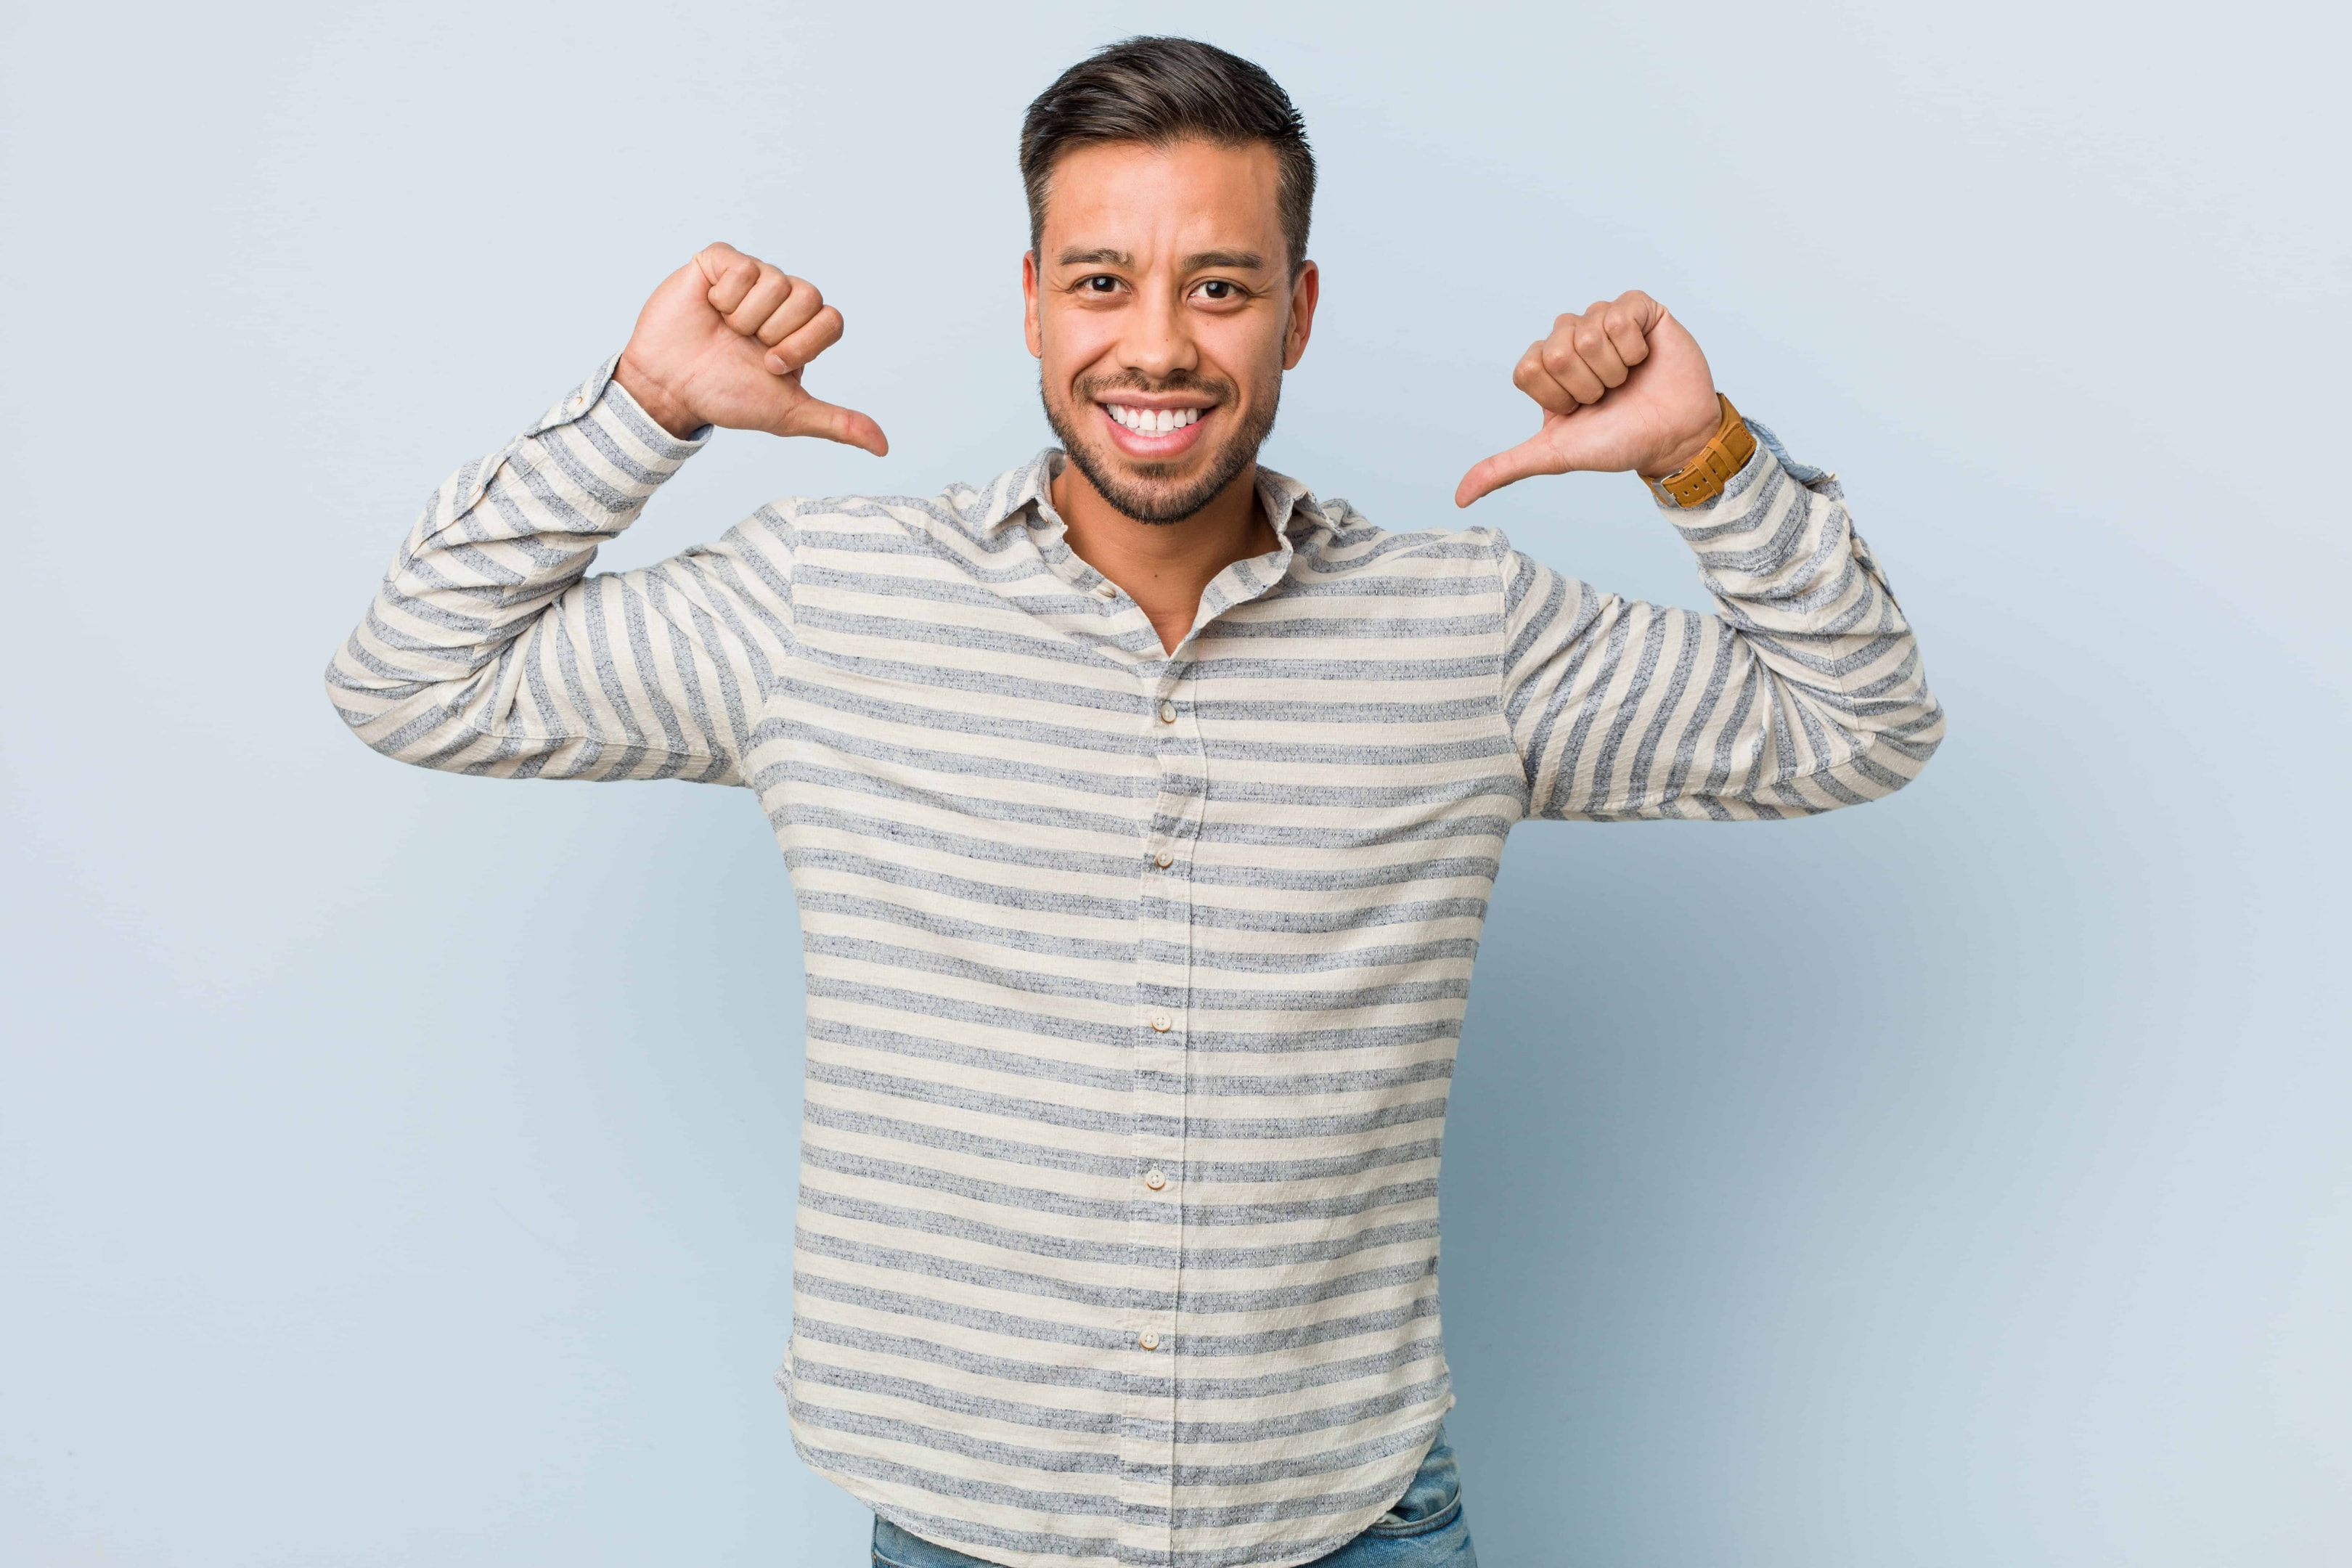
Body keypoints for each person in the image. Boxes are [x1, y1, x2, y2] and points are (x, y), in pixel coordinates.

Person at [324, 33, 1942, 1568]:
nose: (1158, 344)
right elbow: (415, 675)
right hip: (967, 1518)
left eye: (1220, 286)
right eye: (1102, 281)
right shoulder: (831, 603)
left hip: (1351, 1511)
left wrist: (1703, 458)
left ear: (1298, 314)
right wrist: (643, 410)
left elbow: (1858, 722)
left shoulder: (1463, 633)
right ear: (1033, 303)